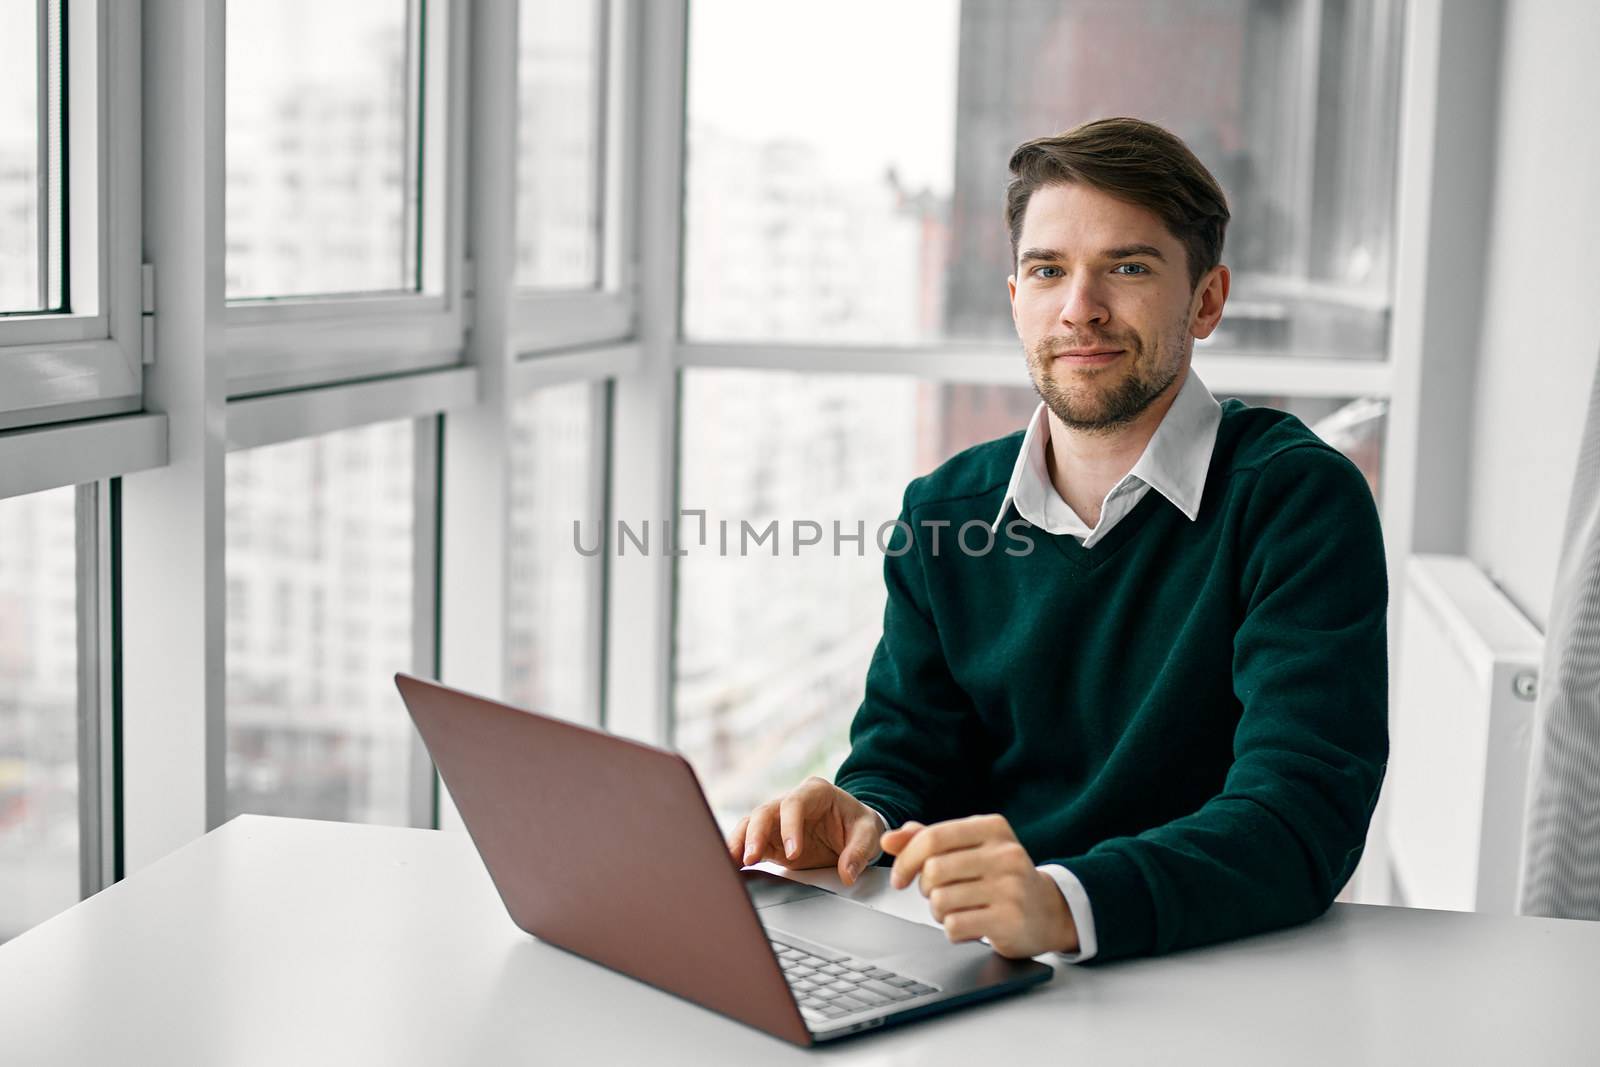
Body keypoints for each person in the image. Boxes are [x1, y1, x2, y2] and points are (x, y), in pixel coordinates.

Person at [726, 117, 1389, 964]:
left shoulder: (1296, 501)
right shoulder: (942, 514)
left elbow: (1302, 818)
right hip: (981, 964)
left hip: (1212, 975)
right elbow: (908, 754)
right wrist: (863, 813)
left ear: (1207, 299)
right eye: (1048, 270)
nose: (1080, 308)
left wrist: (1063, 903)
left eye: (1128, 266)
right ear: (1016, 301)